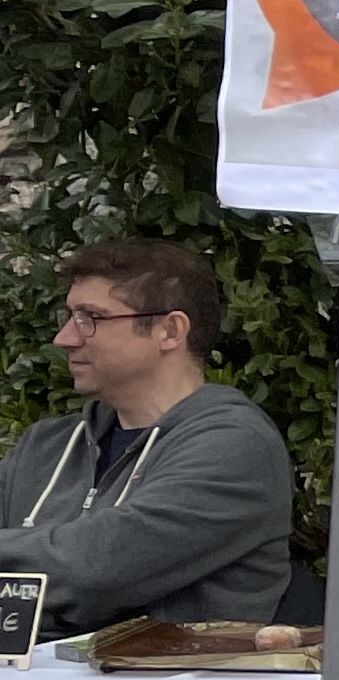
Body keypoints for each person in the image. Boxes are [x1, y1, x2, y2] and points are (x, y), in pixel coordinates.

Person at [1, 238, 293, 632]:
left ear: (170, 331)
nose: (65, 338)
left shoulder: (234, 447)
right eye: (68, 316)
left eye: (91, 317)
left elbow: (97, 568)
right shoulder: (46, 446)